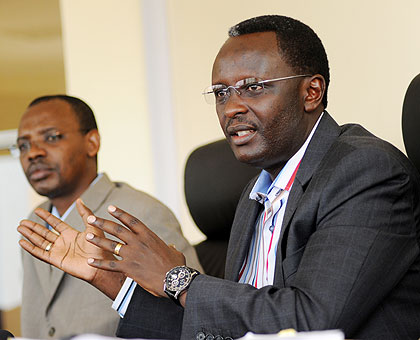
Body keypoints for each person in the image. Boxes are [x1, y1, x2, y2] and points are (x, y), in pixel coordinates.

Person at [18, 15, 420, 340]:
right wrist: (110, 281)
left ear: (311, 91)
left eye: (253, 87)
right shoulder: (254, 195)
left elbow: (309, 321)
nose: (231, 108)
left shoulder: (363, 171)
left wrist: (178, 280)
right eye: (221, 93)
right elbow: (218, 330)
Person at [16, 95, 202, 339]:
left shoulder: (140, 212)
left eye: (51, 137)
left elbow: (195, 316)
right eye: (23, 146)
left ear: (92, 142)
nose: (33, 153)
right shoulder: (35, 221)